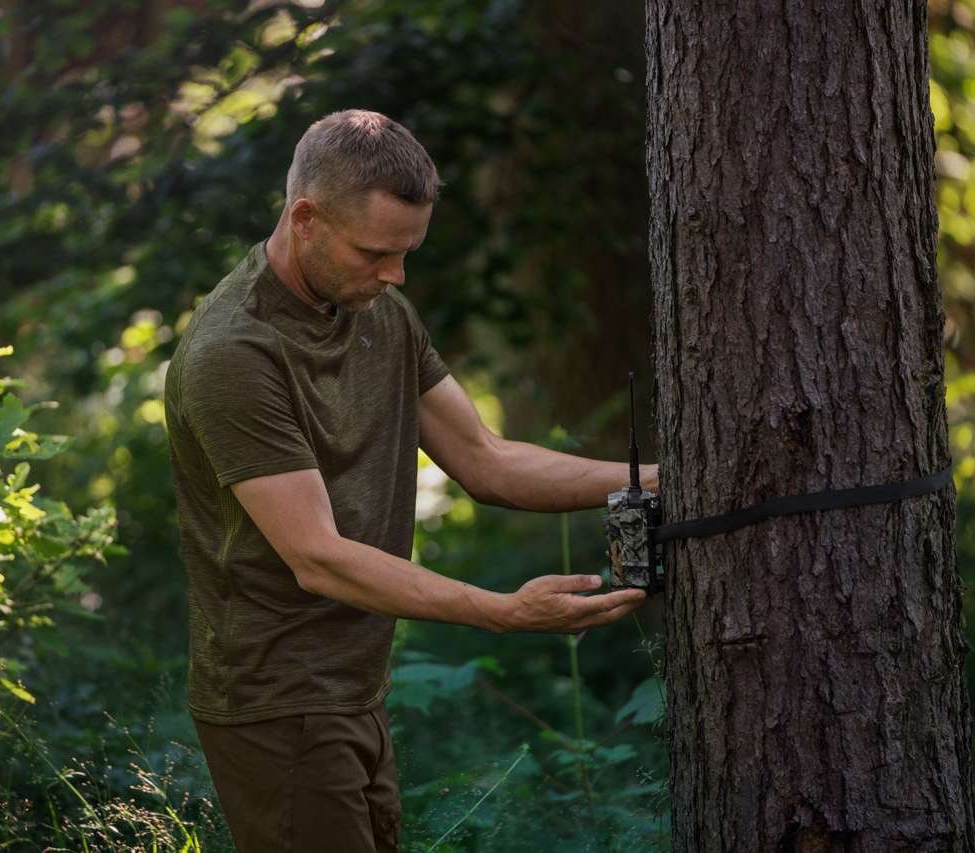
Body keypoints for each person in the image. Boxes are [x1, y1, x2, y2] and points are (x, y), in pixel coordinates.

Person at [163, 109, 656, 853]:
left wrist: (663, 479)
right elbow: (318, 557)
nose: (395, 276)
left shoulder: (378, 309)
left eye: (406, 253)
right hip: (277, 702)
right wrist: (502, 612)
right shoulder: (235, 353)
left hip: (357, 686)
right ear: (305, 218)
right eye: (375, 253)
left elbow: (487, 461)